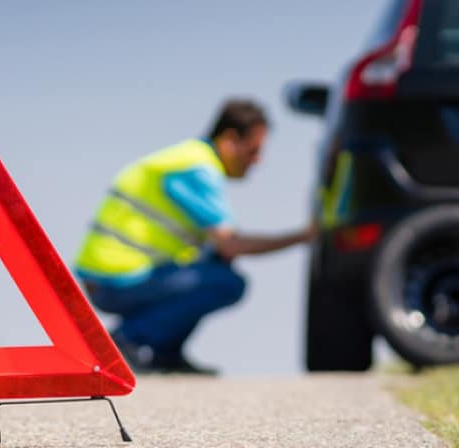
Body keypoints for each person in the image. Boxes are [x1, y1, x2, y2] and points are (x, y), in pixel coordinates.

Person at [74, 99, 316, 374]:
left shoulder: (188, 158)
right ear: (229, 140)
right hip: (116, 279)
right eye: (253, 151)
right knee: (225, 282)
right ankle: (127, 340)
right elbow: (231, 244)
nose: (257, 161)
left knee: (217, 265)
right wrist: (303, 236)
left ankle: (164, 353)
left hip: (115, 275)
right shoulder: (196, 169)